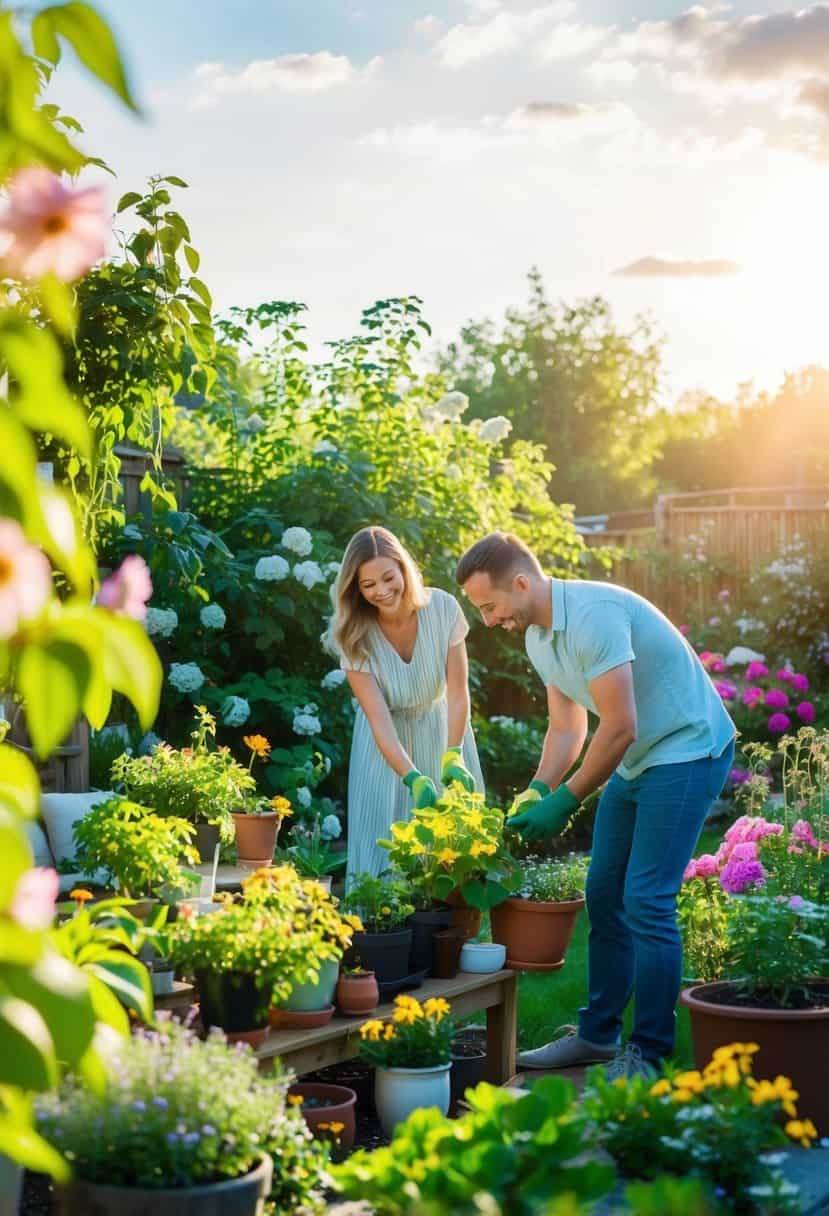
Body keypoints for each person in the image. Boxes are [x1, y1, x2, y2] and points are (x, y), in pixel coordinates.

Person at [456, 531, 735, 1079]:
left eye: (489, 606)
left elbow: (622, 726)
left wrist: (567, 800)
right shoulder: (539, 636)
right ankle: (597, 1036)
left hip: (687, 748)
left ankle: (649, 1053)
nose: (488, 621)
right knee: (604, 892)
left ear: (520, 582)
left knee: (647, 899)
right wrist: (540, 787)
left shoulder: (594, 617)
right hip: (638, 760)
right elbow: (568, 725)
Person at [330, 525, 483, 882]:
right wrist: (413, 777)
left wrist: (453, 754)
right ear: (356, 589)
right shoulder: (353, 636)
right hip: (384, 749)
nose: (382, 591)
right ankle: (377, 932)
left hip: (443, 732)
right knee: (381, 849)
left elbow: (459, 694)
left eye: (388, 577)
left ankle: (451, 936)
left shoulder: (442, 608)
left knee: (451, 849)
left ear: (403, 569)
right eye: (368, 586)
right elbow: (379, 721)